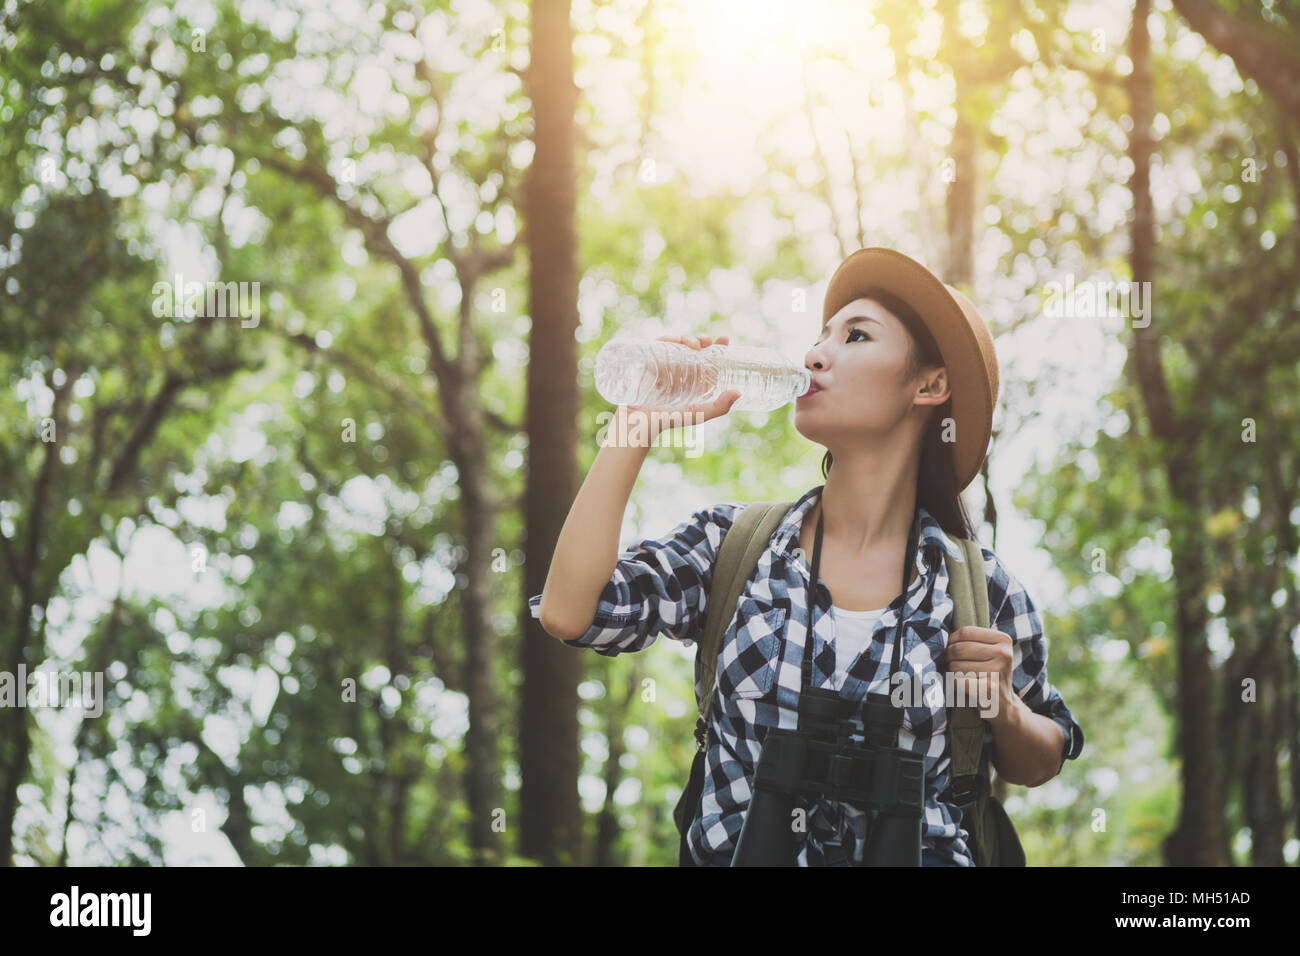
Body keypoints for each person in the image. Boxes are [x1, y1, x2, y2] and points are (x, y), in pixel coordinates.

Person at [532, 247, 1084, 866]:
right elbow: (570, 611)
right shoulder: (734, 546)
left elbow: (1044, 752)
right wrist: (634, 426)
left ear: (930, 384)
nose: (815, 355)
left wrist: (1003, 706)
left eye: (855, 336)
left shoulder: (980, 588)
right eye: (820, 337)